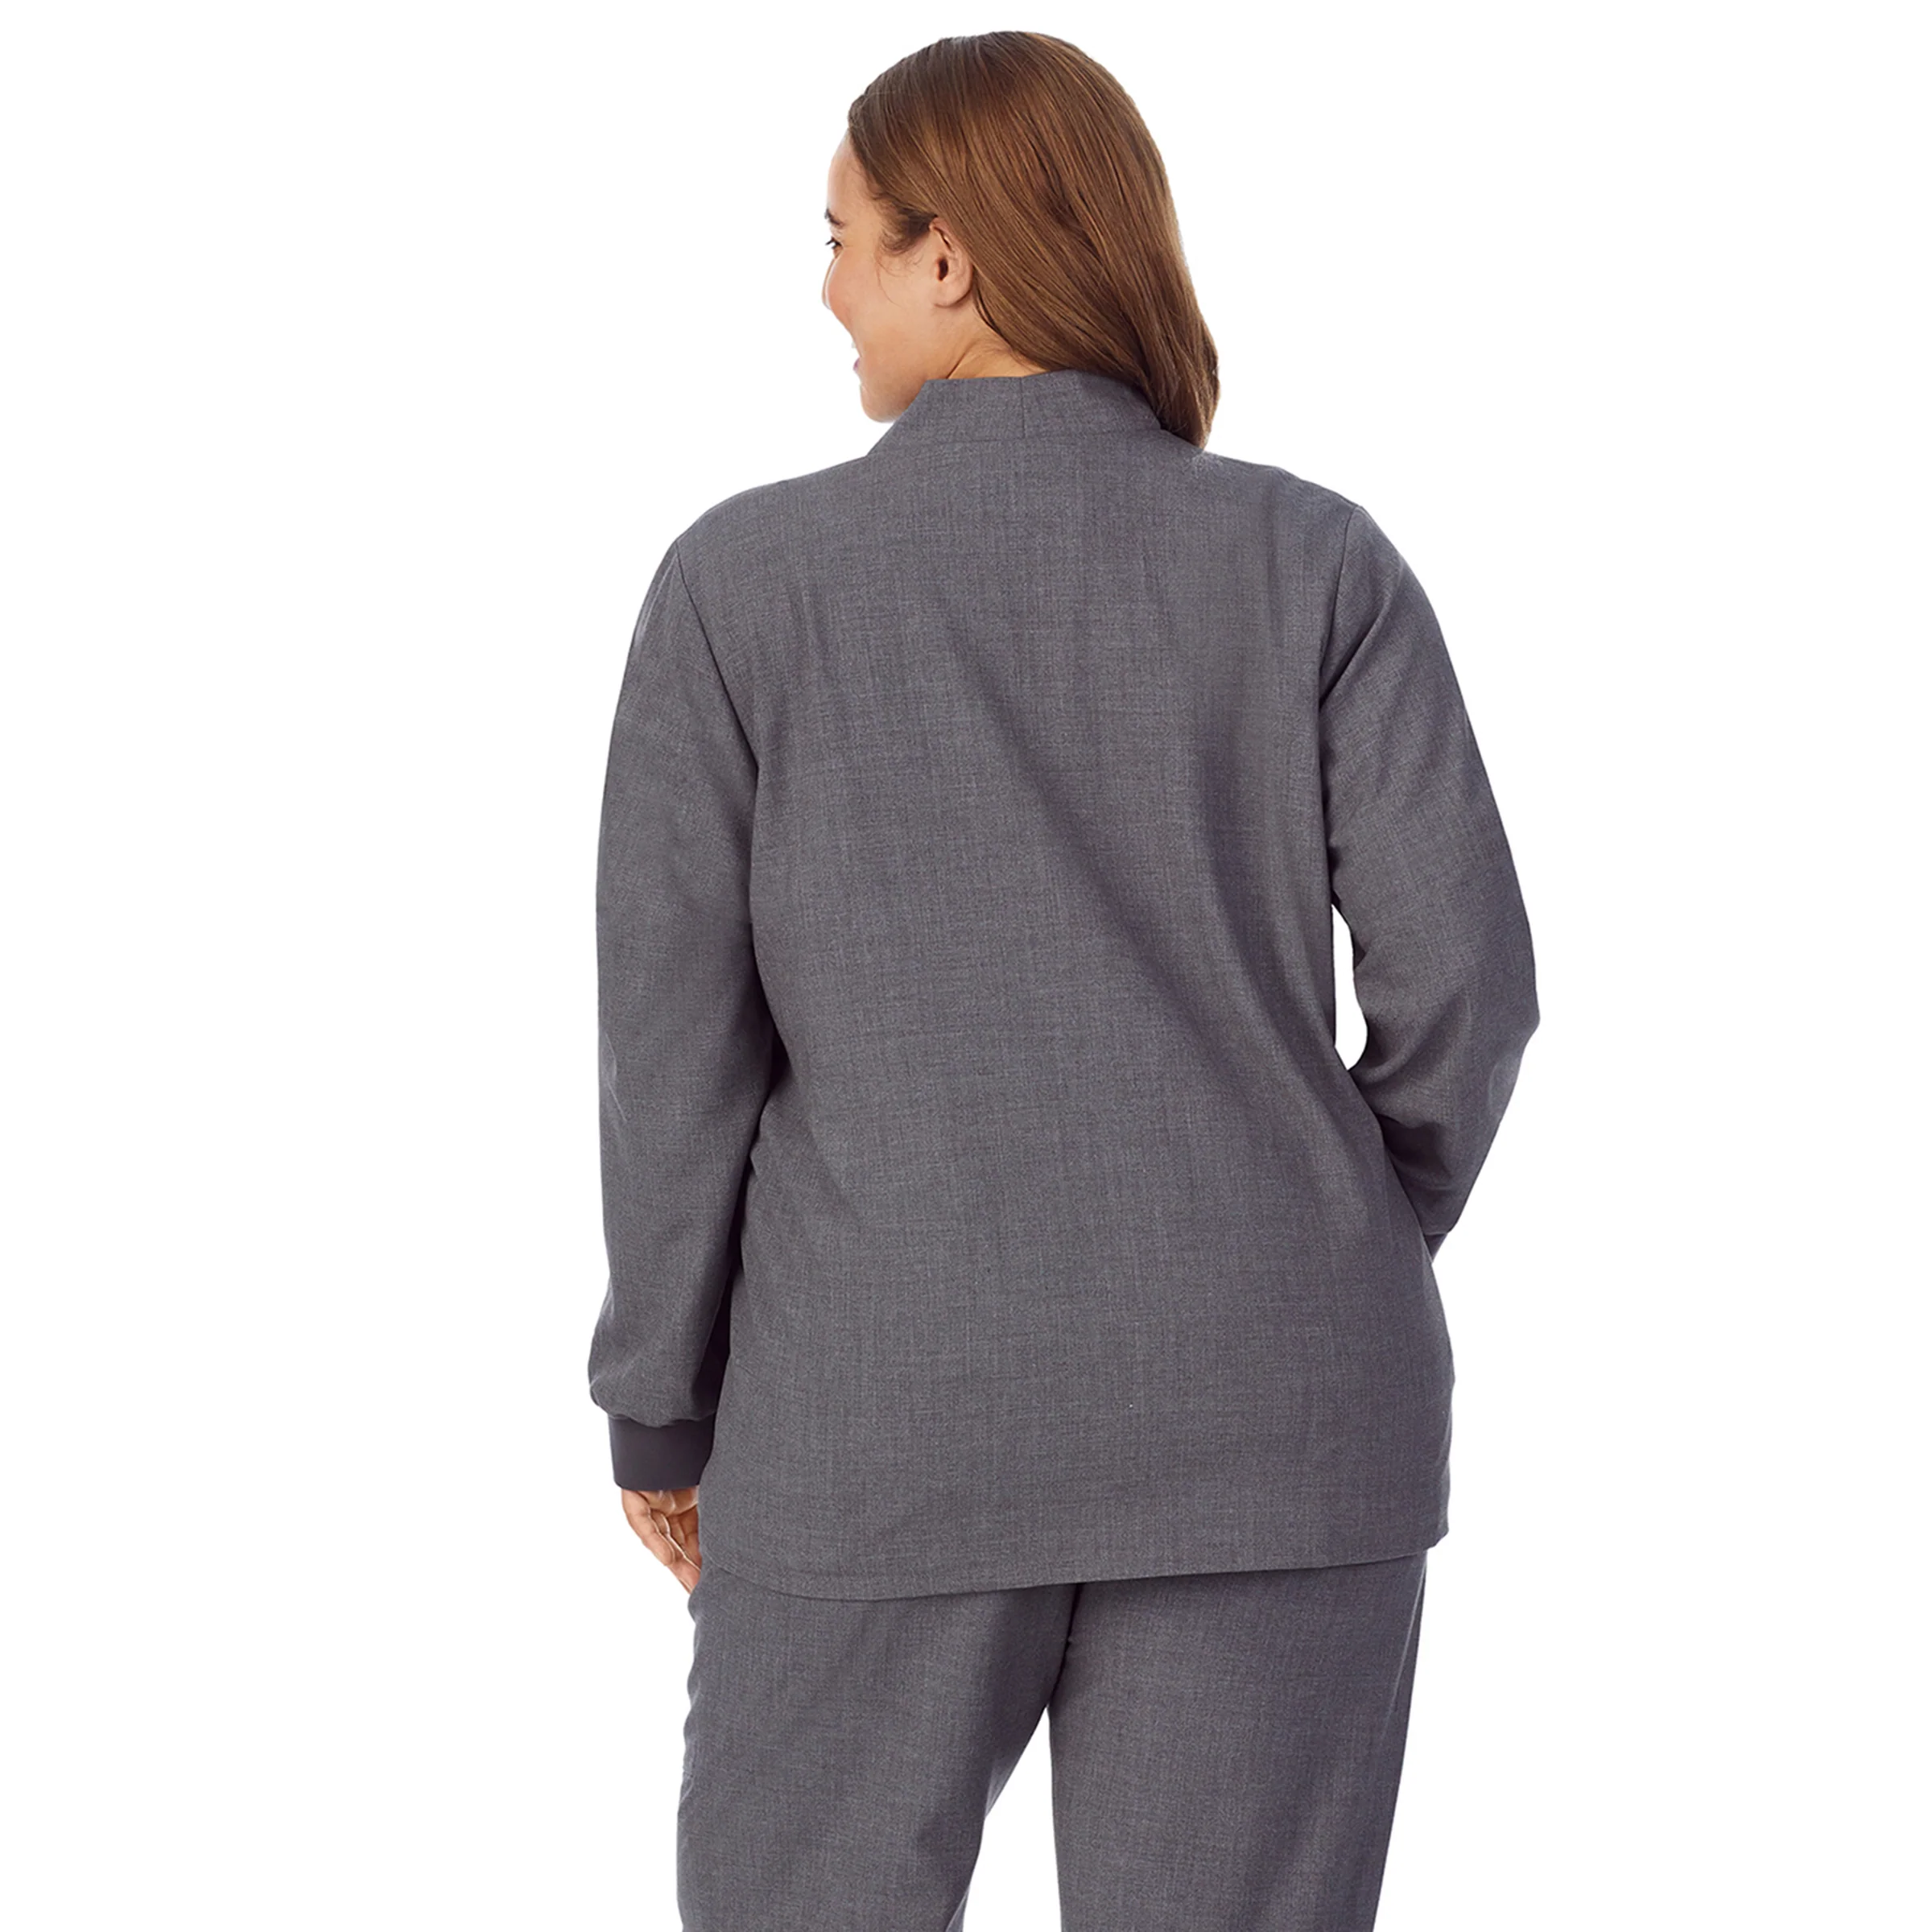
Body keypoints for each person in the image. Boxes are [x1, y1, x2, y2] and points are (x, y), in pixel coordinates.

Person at [587, 30, 1538, 1930]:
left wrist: (660, 1412)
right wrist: (1316, 1233)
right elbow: (1471, 989)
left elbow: (674, 1058)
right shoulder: (1316, 564)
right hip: (1281, 1419)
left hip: (876, 1421)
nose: (826, 291)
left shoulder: (743, 588)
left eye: (845, 238)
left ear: (949, 257)